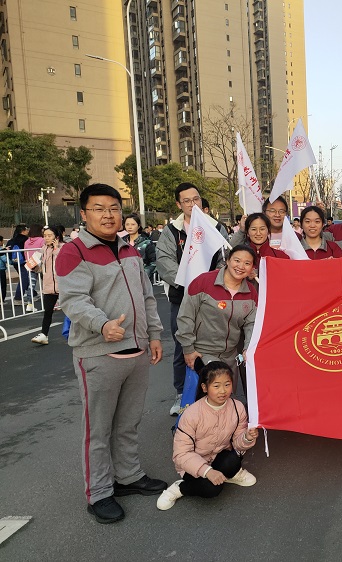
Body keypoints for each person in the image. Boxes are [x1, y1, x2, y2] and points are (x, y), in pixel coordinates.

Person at [57, 183, 166, 524]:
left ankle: (128, 476)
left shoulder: (129, 249)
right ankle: (99, 492)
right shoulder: (73, 251)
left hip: (137, 351)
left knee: (129, 422)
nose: (108, 215)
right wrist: (102, 325)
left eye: (114, 208)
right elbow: (74, 300)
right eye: (99, 208)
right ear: (84, 213)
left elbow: (147, 297)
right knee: (99, 429)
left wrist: (154, 334)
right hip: (98, 353)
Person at [156, 182, 229, 416]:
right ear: (179, 204)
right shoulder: (171, 232)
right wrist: (189, 281)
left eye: (195, 199)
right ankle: (182, 394)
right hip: (182, 297)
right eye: (186, 201)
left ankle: (219, 392)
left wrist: (208, 282)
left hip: (212, 296)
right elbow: (164, 262)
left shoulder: (216, 227)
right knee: (183, 345)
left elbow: (224, 258)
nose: (192, 204)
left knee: (215, 343)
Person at [156, 361, 258, 511]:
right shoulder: (191, 414)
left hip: (218, 455)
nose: (223, 391)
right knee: (211, 489)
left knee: (234, 461)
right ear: (204, 387)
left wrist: (247, 437)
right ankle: (180, 488)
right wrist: (207, 471)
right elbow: (181, 454)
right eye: (216, 386)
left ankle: (230, 474)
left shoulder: (237, 407)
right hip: (193, 464)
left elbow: (237, 444)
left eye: (227, 384)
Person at [176, 244, 257, 402]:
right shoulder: (203, 282)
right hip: (203, 354)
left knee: (227, 400)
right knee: (207, 402)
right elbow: (186, 316)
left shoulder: (251, 292)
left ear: (252, 268)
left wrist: (248, 347)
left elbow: (251, 324)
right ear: (228, 260)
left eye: (247, 263)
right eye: (237, 260)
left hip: (230, 356)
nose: (241, 266)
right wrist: (188, 348)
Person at [30, 226, 65, 345]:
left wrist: (56, 249)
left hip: (63, 284)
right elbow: (42, 268)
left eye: (49, 235)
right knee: (48, 311)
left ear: (56, 237)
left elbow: (64, 261)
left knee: (71, 310)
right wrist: (35, 268)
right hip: (49, 285)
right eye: (45, 236)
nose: (46, 238)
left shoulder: (64, 247)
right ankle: (44, 334)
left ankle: (83, 332)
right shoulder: (43, 249)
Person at [122, 214, 157, 282]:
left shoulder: (146, 243)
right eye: (127, 224)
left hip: (143, 280)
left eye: (133, 224)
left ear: (138, 226)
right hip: (125, 281)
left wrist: (143, 274)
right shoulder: (121, 242)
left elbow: (154, 262)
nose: (130, 227)